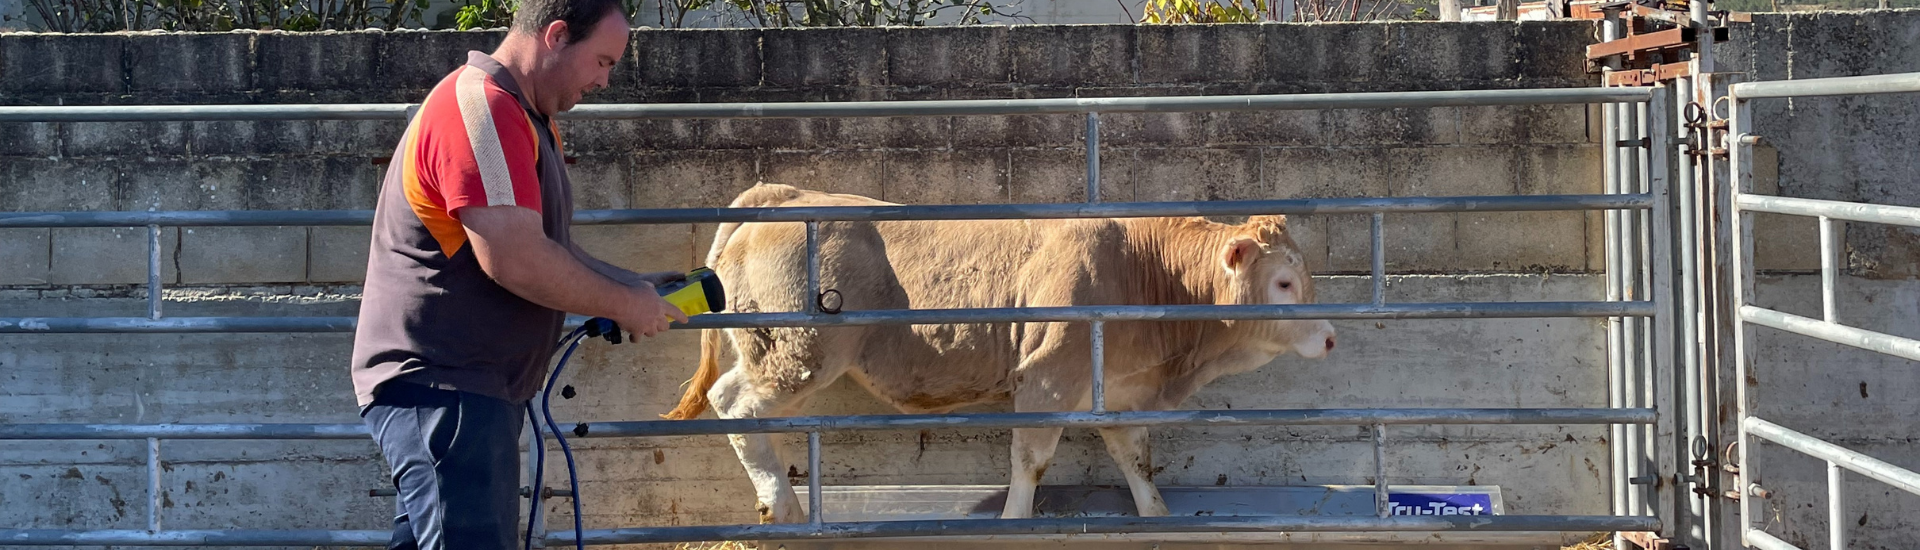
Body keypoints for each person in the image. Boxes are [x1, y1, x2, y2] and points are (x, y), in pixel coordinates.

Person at [348, 1, 686, 547]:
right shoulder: (481, 110)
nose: (604, 81)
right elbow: (513, 258)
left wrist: (631, 285)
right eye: (602, 61)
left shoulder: (527, 119)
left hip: (462, 389)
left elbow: (548, 248)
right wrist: (624, 304)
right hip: (444, 386)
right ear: (555, 35)